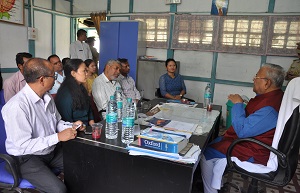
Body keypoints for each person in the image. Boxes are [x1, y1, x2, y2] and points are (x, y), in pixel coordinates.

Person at [1, 58, 84, 193]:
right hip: (25, 158)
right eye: (54, 75)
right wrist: (57, 137)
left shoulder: (47, 98)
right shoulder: (17, 107)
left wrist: (71, 126)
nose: (56, 78)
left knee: (84, 166)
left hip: (49, 151)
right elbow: (23, 145)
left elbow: (57, 122)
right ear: (41, 80)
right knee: (59, 190)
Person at [200, 63, 285, 193]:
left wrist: (238, 104)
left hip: (256, 151)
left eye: (257, 77)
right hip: (253, 141)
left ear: (267, 83)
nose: (254, 79)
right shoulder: (275, 97)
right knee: (214, 142)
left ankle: (210, 191)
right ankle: (216, 184)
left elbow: (242, 131)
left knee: (206, 153)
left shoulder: (270, 108)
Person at [55, 59, 95, 126]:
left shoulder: (81, 87)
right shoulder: (66, 94)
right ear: (73, 73)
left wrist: (92, 122)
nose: (87, 73)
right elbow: (66, 122)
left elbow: (88, 108)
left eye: (86, 71)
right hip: (75, 131)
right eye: (84, 71)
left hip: (86, 127)